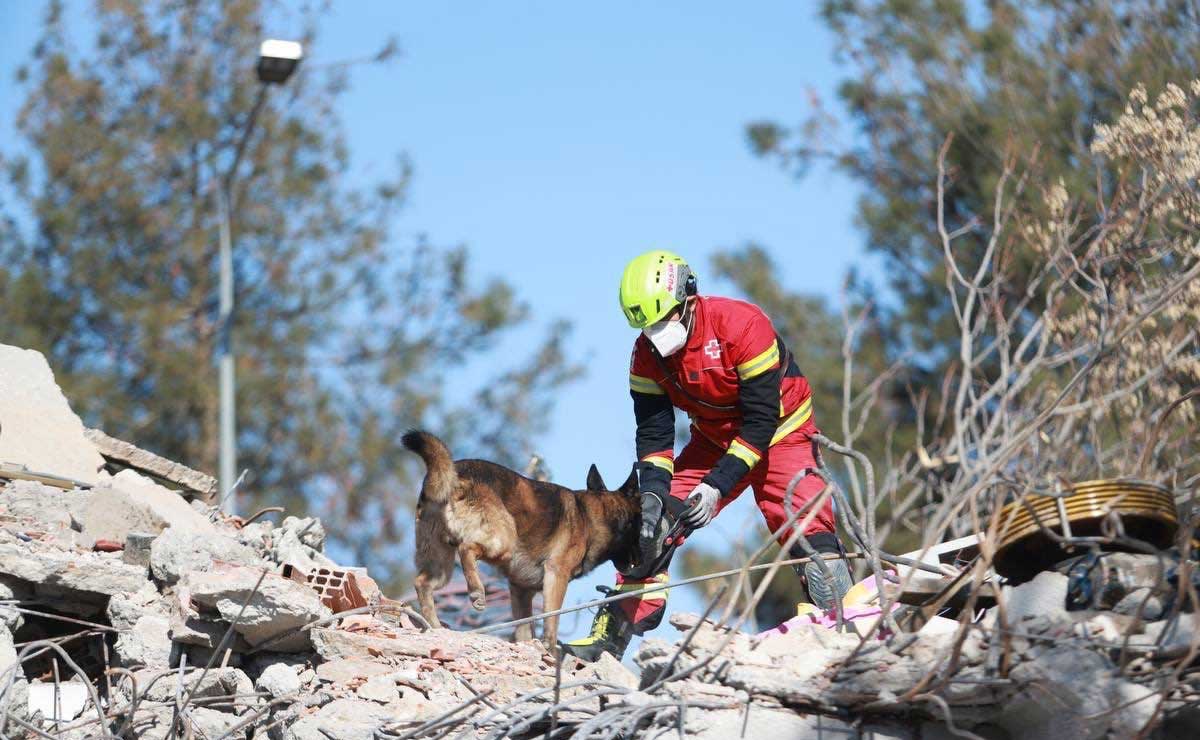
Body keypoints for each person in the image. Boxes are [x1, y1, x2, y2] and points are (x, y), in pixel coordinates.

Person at [562, 250, 854, 662]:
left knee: (809, 531)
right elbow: (655, 433)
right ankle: (611, 636)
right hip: (713, 440)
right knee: (647, 527)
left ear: (688, 297)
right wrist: (655, 495)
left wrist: (716, 486)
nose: (657, 334)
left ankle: (847, 631)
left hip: (783, 432)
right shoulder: (645, 356)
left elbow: (761, 421)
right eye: (647, 326)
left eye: (663, 320)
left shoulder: (742, 326)